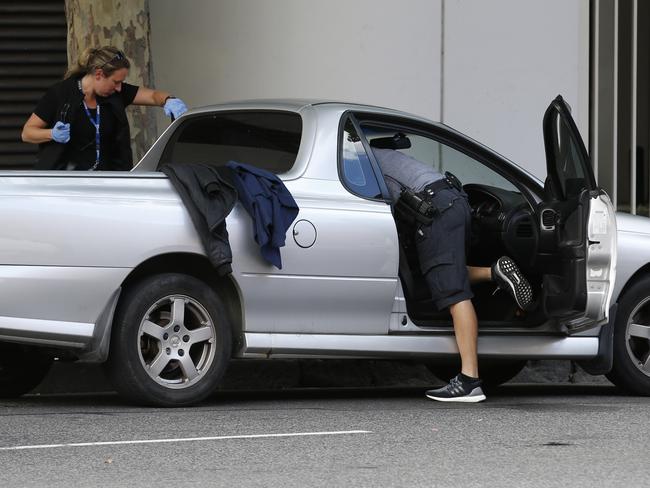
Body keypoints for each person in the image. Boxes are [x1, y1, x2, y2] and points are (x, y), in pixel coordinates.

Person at [372, 147, 534, 403]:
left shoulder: (359, 160)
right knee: (440, 276)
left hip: (435, 210)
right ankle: (494, 273)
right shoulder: (383, 154)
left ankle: (469, 381)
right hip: (453, 201)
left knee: (453, 294)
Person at [21, 46, 188, 171]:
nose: (119, 88)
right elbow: (27, 133)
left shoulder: (116, 94)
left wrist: (168, 100)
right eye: (116, 82)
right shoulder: (60, 93)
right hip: (66, 184)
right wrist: (51, 134)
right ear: (99, 74)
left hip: (106, 183)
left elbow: (153, 96)